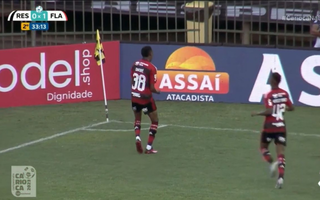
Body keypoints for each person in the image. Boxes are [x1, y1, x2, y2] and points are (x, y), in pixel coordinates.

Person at [251, 72, 294, 189]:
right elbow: (291, 108)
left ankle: (271, 163)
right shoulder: (285, 94)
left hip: (269, 126)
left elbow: (269, 111)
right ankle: (280, 178)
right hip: (281, 126)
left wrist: (257, 113)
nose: (269, 80)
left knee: (263, 147)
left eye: (270, 79)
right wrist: (281, 109)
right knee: (281, 153)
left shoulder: (268, 95)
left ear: (274, 81)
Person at [131, 46, 160, 154]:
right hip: (146, 99)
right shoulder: (151, 68)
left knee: (137, 119)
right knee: (155, 121)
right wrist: (158, 91)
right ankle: (148, 147)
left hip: (134, 96)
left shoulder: (135, 64)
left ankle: (137, 137)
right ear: (150, 54)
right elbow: (152, 88)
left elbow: (132, 81)